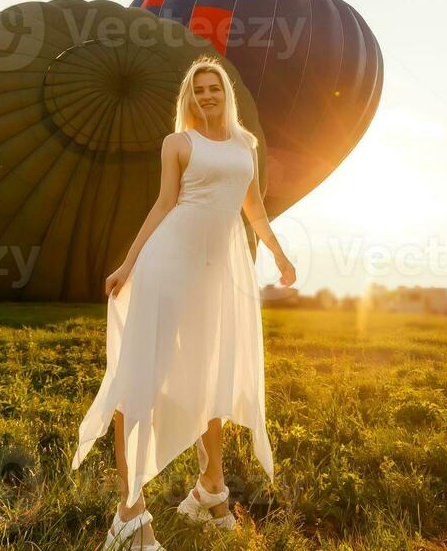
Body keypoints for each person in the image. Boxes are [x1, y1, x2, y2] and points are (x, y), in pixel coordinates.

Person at [71, 56, 297, 550]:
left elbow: (253, 206)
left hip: (222, 270)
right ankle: (129, 514)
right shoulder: (178, 143)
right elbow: (164, 204)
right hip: (170, 260)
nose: (207, 95)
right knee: (142, 375)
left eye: (214, 88)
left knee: (211, 370)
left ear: (226, 93)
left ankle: (210, 490)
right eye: (199, 90)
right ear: (188, 98)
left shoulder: (246, 145)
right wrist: (129, 264)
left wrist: (279, 253)